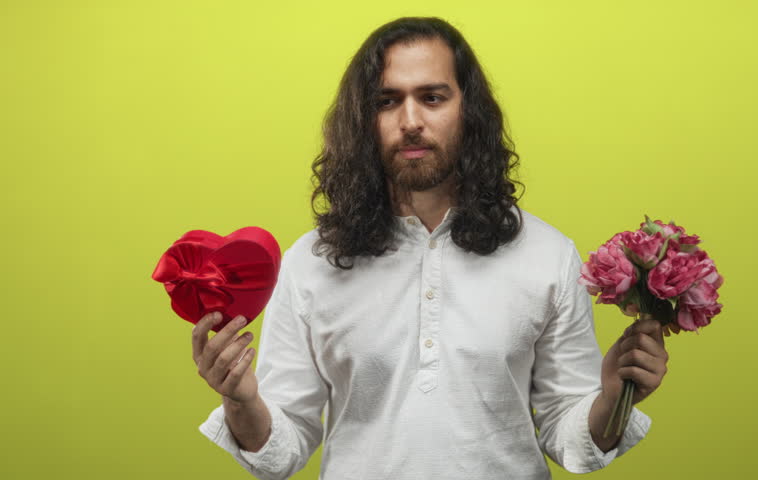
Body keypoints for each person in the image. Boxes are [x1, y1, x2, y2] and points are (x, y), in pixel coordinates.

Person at [192, 16, 669, 480]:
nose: (411, 121)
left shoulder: (546, 254)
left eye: (432, 97)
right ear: (363, 119)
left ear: (468, 110)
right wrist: (240, 400)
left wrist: (612, 398)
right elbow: (281, 453)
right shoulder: (310, 261)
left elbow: (571, 439)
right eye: (386, 101)